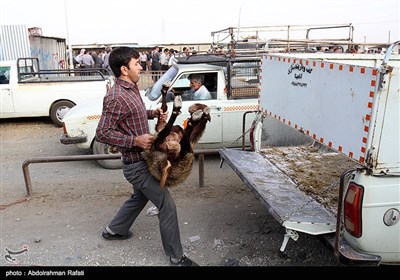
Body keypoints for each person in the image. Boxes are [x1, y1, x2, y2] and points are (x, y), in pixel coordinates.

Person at [95, 46, 198, 267]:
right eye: (136, 64)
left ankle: (114, 230)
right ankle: (176, 257)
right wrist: (135, 141)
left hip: (145, 161)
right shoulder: (116, 96)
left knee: (139, 197)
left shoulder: (131, 89)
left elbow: (131, 116)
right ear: (124, 69)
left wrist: (153, 113)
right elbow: (102, 133)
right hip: (137, 165)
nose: (141, 67)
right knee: (167, 206)